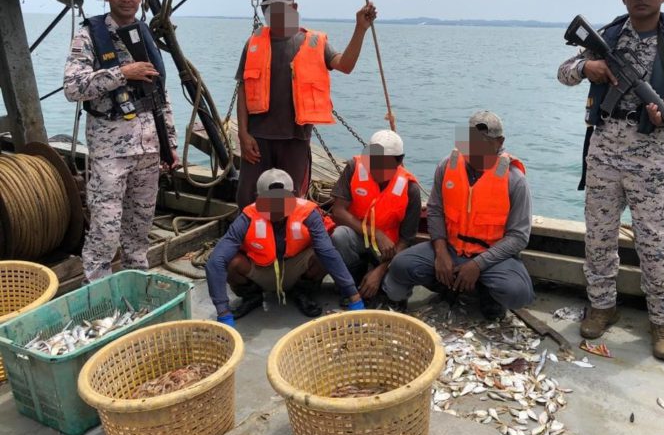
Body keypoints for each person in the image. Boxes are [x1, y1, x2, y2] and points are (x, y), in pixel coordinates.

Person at [557, 0, 664, 361]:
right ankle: (601, 305)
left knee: (657, 243)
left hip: (653, 159)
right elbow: (563, 71)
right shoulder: (606, 36)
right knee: (599, 237)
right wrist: (587, 67)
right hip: (604, 151)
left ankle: (663, 320)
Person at [63, 0, 178, 283]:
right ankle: (98, 293)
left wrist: (170, 145)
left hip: (149, 147)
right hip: (110, 149)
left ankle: (137, 286)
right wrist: (121, 74)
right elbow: (73, 88)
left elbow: (160, 94)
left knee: (139, 229)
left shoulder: (144, 32)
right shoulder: (89, 35)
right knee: (105, 230)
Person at [235, 0, 378, 209]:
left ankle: (287, 242)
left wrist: (360, 29)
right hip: (258, 138)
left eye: (281, 7)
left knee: (292, 202)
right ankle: (253, 241)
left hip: (295, 138)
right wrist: (243, 134)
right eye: (269, 8)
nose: (276, 13)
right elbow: (242, 89)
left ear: (294, 8)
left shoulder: (314, 42)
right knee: (248, 199)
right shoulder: (253, 43)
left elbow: (346, 65)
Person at [382, 111, 535, 320]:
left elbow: (519, 237)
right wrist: (441, 251)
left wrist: (477, 265)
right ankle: (448, 288)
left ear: (499, 142)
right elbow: (435, 209)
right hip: (451, 248)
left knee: (518, 292)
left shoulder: (515, 180)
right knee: (401, 265)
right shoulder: (447, 165)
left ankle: (486, 297)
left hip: (490, 258)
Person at [205, 168, 365, 326]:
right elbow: (215, 261)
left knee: (324, 251)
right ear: (258, 198)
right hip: (261, 272)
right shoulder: (247, 217)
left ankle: (302, 291)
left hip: (296, 269)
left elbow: (327, 252)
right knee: (230, 262)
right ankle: (251, 296)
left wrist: (354, 296)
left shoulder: (308, 213)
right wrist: (223, 312)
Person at [330, 130, 422, 301]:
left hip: (390, 249)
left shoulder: (410, 189)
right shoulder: (353, 167)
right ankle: (354, 280)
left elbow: (406, 239)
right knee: (340, 236)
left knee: (395, 294)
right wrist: (375, 233)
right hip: (359, 236)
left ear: (399, 161)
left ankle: (376, 276)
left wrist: (380, 271)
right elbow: (338, 211)